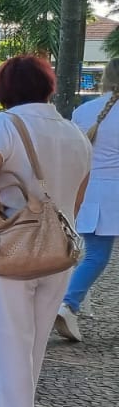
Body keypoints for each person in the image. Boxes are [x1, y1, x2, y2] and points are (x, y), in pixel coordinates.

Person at [0, 55, 91, 407]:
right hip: (58, 249)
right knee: (31, 342)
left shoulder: (6, 125)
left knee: (7, 340)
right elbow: (79, 192)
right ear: (48, 87)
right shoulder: (73, 131)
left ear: (3, 90)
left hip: (11, 246)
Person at [57, 58, 119, 342]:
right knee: (95, 257)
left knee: (94, 256)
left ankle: (67, 303)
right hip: (111, 190)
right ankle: (68, 303)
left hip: (89, 192)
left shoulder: (84, 111)